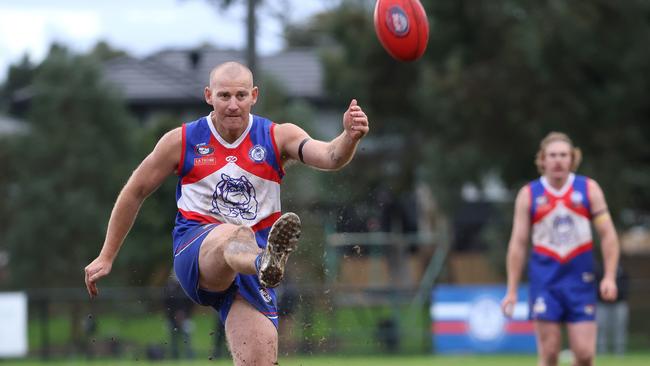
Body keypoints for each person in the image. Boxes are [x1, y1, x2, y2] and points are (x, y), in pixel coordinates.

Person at [84, 61, 369, 365]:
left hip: (250, 273)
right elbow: (135, 191)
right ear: (208, 95)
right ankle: (263, 262)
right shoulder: (182, 141)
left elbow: (330, 155)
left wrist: (349, 137)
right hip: (197, 249)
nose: (233, 105)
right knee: (233, 234)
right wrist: (107, 254)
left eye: (241, 95)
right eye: (224, 96)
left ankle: (261, 263)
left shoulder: (277, 136)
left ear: (254, 95)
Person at [501, 132, 620, 366]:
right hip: (545, 282)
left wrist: (609, 276)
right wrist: (512, 290)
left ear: (572, 159)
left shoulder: (588, 189)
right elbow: (518, 243)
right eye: (552, 155)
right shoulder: (529, 194)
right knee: (550, 353)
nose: (558, 160)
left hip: (580, 281)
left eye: (564, 155)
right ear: (542, 160)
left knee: (585, 354)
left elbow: (608, 235)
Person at [163, 272, 195, 359]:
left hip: (185, 317)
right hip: (172, 318)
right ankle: (174, 356)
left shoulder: (185, 287)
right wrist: (173, 314)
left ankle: (189, 357)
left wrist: (184, 313)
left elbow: (190, 302)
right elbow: (167, 303)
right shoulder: (169, 287)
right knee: (173, 339)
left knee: (186, 338)